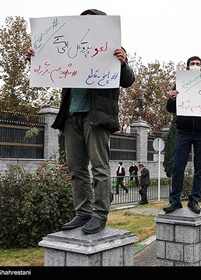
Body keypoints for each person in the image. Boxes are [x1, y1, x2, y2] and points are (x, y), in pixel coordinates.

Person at [26, 8, 135, 234]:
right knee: (76, 168)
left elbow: (127, 80)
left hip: (96, 117)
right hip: (71, 116)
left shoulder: (114, 49)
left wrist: (123, 63)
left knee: (99, 168)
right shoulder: (67, 45)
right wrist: (36, 57)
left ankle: (100, 214)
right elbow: (49, 66)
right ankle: (83, 212)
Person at [163, 56, 201, 214]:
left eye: (198, 64)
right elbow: (171, 109)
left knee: (200, 169)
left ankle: (194, 200)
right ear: (188, 67)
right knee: (178, 167)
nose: (195, 66)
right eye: (192, 64)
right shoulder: (180, 84)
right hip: (183, 131)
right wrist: (171, 99)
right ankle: (175, 201)